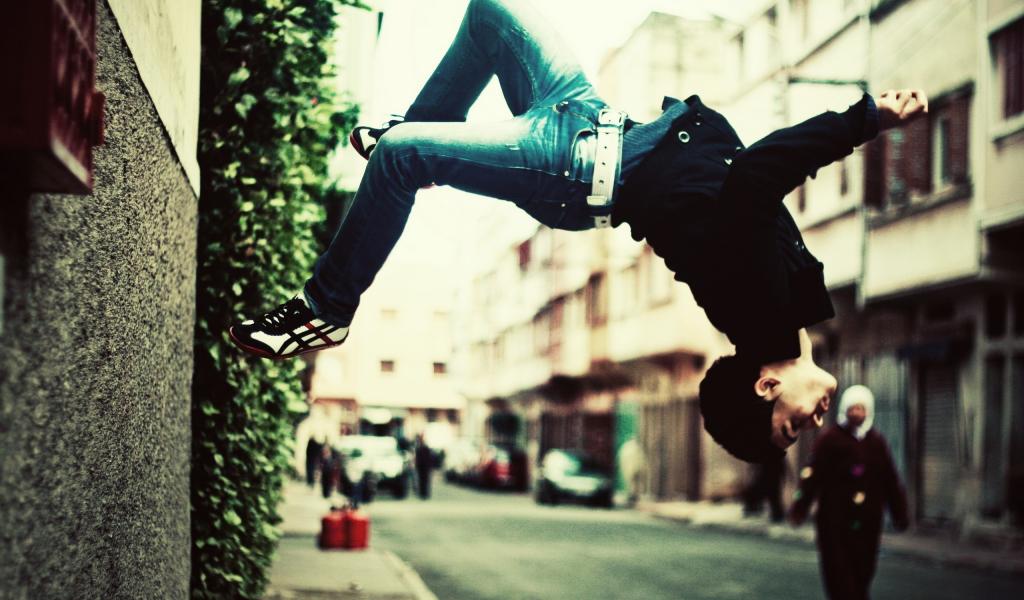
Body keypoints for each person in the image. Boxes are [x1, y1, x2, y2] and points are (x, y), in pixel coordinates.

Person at [227, 0, 928, 462]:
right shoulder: (787, 307)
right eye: (801, 430)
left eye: (793, 426)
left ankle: (326, 309)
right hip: (591, 118)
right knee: (489, 15)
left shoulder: (761, 309)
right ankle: (419, 129)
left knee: (401, 159)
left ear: (767, 389)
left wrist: (863, 121)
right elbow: (742, 184)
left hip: (571, 168)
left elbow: (753, 178)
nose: (815, 420)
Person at [788, 385, 909, 600]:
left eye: (861, 409)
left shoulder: (876, 442)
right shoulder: (830, 439)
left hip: (868, 520)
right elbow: (811, 476)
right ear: (845, 409)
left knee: (863, 571)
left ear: (869, 411)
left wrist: (900, 512)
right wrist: (800, 507)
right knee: (838, 573)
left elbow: (890, 480)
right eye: (853, 408)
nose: (857, 413)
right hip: (835, 520)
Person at [742, 454, 786, 522]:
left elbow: (782, 467)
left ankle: (777, 515)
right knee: (773, 498)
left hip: (770, 479)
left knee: (773, 498)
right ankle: (777, 515)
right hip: (769, 479)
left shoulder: (773, 455)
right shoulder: (774, 454)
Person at [414, 434, 435, 500]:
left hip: (424, 467)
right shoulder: (421, 449)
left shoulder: (421, 449)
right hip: (423, 467)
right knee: (424, 481)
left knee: (424, 481)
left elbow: (429, 458)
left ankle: (424, 494)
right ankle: (424, 494)